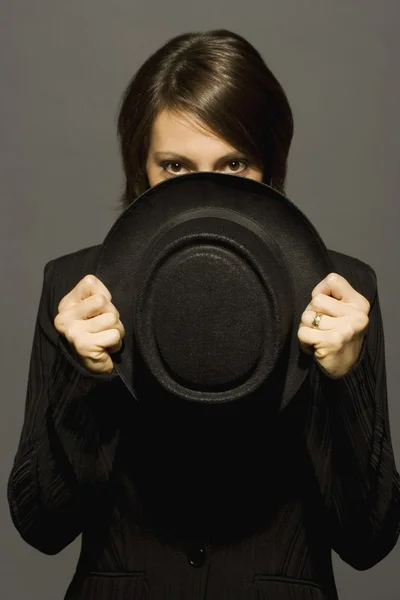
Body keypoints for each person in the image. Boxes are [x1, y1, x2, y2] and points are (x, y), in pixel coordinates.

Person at [7, 28, 400, 600]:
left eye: (234, 163)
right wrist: (84, 380)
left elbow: (369, 540)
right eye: (175, 166)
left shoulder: (340, 295)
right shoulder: (77, 291)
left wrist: (343, 385)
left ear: (270, 165)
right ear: (139, 165)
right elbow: (41, 526)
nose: (205, 191)